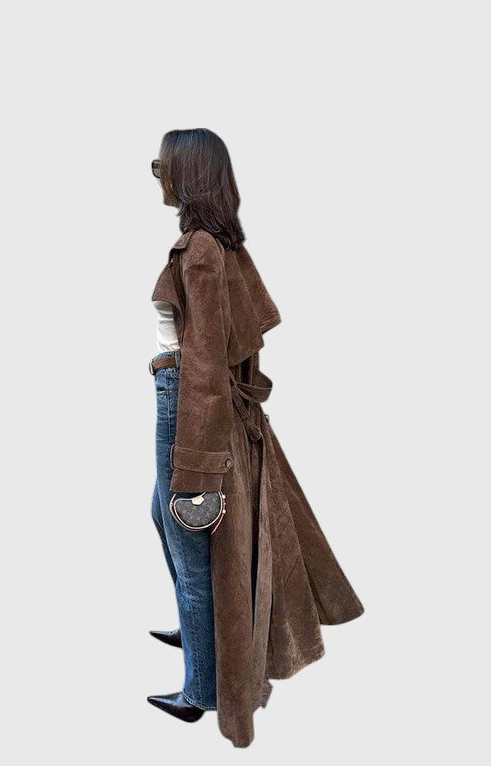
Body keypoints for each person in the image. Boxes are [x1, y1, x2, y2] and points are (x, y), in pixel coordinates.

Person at [147, 129, 364, 747]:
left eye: (162, 164)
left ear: (187, 173)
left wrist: (198, 467)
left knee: (191, 542)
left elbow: (206, 364)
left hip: (184, 400)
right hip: (183, 394)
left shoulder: (201, 250)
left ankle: (201, 690)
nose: (157, 173)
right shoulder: (219, 243)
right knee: (162, 516)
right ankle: (198, 631)